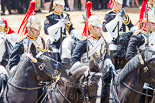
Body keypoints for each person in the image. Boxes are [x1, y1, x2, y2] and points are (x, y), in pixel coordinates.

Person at [8, 1, 46, 72]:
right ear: (29, 29)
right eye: (35, 29)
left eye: (39, 29)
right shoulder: (22, 42)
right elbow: (12, 63)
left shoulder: (42, 41)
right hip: (26, 73)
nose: (38, 32)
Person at [44, 0, 79, 68]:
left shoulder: (66, 15)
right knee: (54, 53)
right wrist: (57, 26)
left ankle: (66, 65)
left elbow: (70, 27)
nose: (62, 7)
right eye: (60, 5)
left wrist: (73, 32)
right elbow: (47, 31)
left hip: (64, 38)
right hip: (54, 40)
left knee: (66, 46)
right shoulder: (50, 17)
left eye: (63, 5)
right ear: (55, 6)